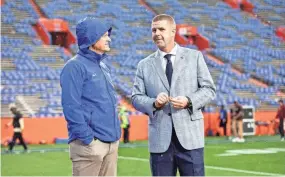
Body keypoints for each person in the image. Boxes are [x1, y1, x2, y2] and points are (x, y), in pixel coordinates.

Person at [131, 14, 216, 176]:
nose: (156, 33)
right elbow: (136, 98)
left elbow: (209, 89)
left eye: (161, 29)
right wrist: (154, 103)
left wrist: (189, 101)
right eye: (153, 30)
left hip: (190, 140)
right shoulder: (144, 65)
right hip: (160, 142)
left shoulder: (194, 57)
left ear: (173, 31)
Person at [60, 17, 121, 176]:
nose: (109, 38)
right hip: (90, 145)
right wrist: (88, 140)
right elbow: (71, 107)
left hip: (111, 143)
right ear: (91, 37)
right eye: (104, 35)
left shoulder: (103, 66)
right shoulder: (74, 67)